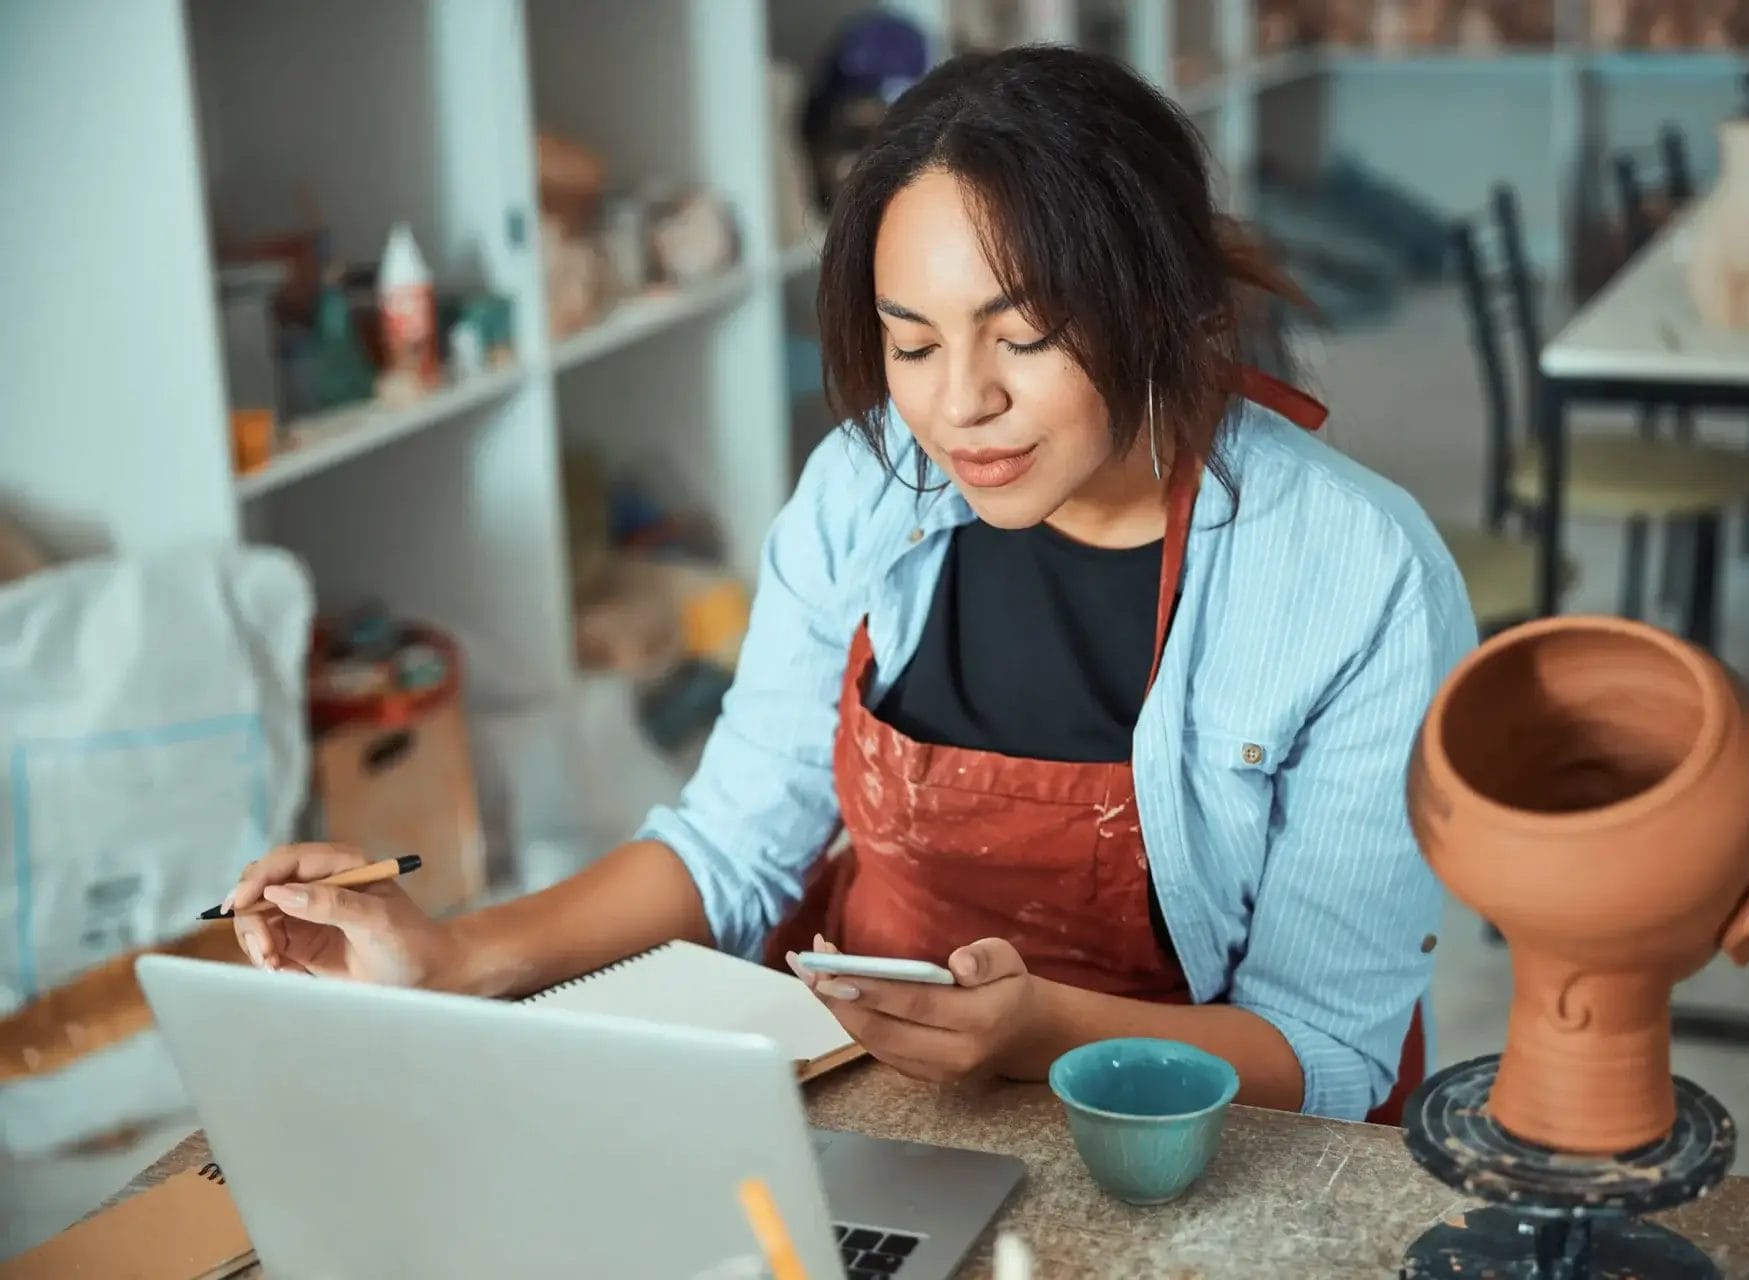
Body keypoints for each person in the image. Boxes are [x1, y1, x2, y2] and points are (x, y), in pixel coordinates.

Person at [223, 45, 1476, 1122]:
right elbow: (729, 850)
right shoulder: (861, 489)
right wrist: (453, 954)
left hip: (1163, 1132)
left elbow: (1327, 1054)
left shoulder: (1351, 577)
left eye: (1023, 336)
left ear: (1157, 299)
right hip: (857, 1085)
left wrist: (1041, 1032)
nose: (958, 402)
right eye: (911, 341)